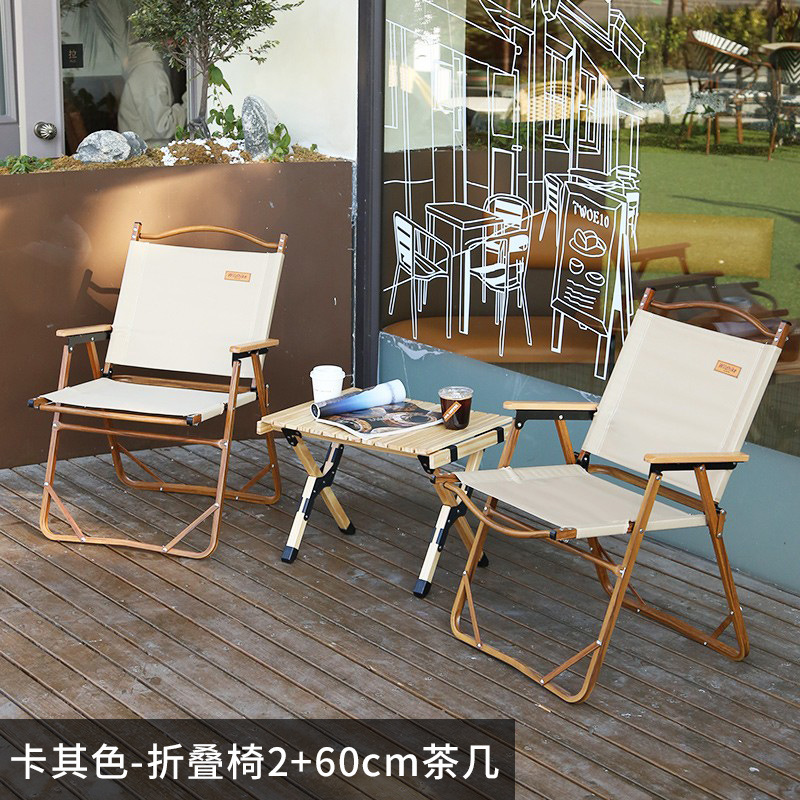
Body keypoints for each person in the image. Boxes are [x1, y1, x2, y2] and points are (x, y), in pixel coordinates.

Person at [118, 38, 186, 147]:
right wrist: (189, 103)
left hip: (146, 152)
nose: (182, 41)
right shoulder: (149, 72)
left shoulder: (145, 67)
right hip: (152, 153)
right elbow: (163, 126)